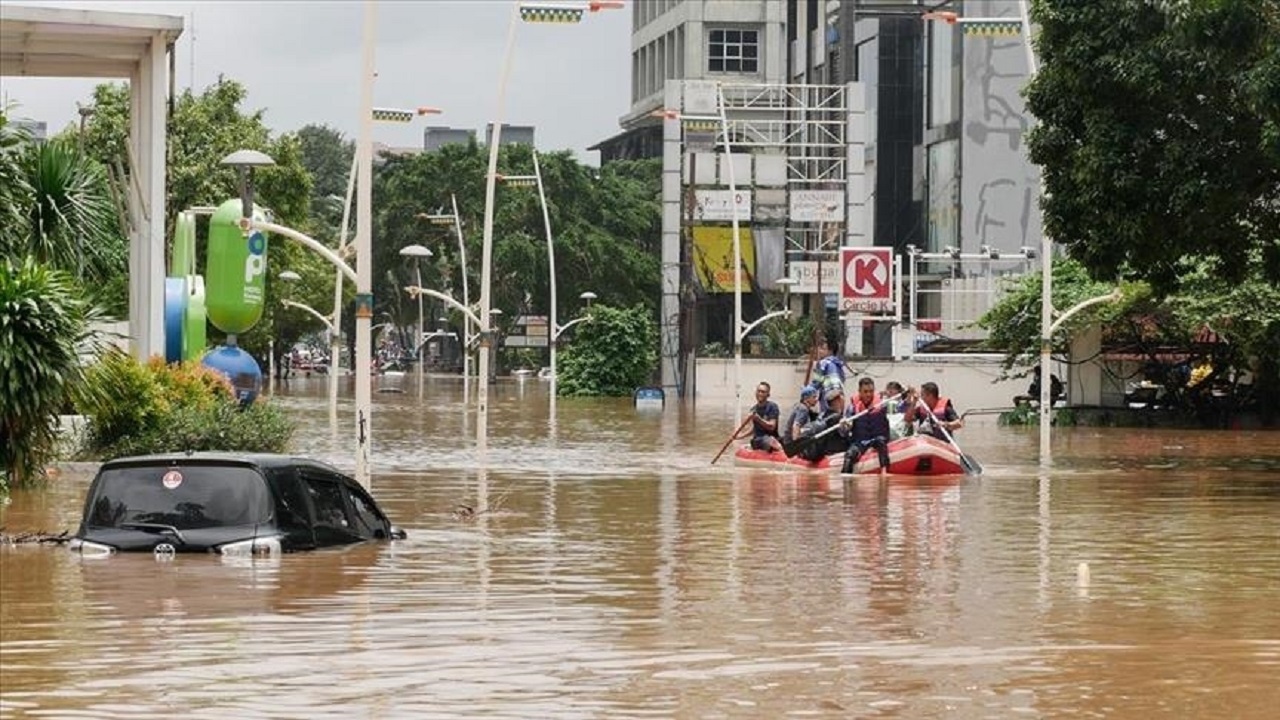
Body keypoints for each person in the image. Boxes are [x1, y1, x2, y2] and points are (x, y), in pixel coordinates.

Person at [841, 377, 891, 474]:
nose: (868, 394)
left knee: (881, 442)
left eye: (871, 391)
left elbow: (900, 406)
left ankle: (884, 473)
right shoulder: (852, 408)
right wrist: (845, 425)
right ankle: (846, 479)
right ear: (859, 392)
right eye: (865, 391)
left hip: (877, 439)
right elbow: (846, 430)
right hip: (860, 442)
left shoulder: (882, 404)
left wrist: (910, 399)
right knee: (849, 455)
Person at [799, 387, 849, 462]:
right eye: (842, 398)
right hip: (832, 452)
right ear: (838, 400)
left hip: (824, 450)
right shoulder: (837, 418)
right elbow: (845, 433)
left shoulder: (821, 415)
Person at [810, 334, 847, 414]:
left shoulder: (824, 363)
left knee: (827, 418)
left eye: (823, 349)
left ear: (830, 351)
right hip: (839, 399)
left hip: (828, 398)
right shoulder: (839, 365)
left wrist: (807, 390)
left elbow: (816, 382)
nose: (820, 351)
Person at [744, 381, 782, 453]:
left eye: (763, 392)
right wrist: (739, 436)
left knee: (781, 439)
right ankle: (772, 444)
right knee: (761, 440)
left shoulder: (772, 406)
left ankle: (775, 445)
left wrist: (758, 419)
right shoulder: (753, 409)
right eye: (758, 391)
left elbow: (772, 427)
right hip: (758, 440)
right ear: (755, 393)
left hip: (773, 437)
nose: (760, 393)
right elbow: (753, 429)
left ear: (768, 395)